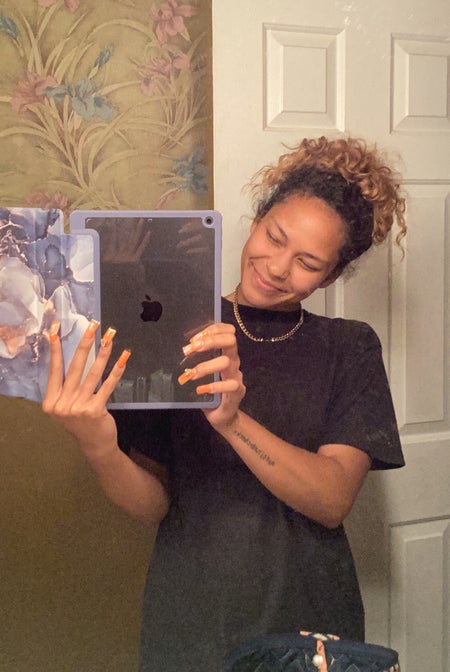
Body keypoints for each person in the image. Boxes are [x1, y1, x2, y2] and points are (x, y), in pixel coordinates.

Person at [42, 136, 406, 672]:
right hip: (190, 613)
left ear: (330, 275)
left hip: (307, 621)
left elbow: (332, 500)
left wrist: (232, 421)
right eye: (274, 237)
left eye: (307, 262)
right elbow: (155, 506)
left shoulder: (348, 347)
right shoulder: (174, 325)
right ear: (256, 220)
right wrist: (97, 445)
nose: (277, 268)